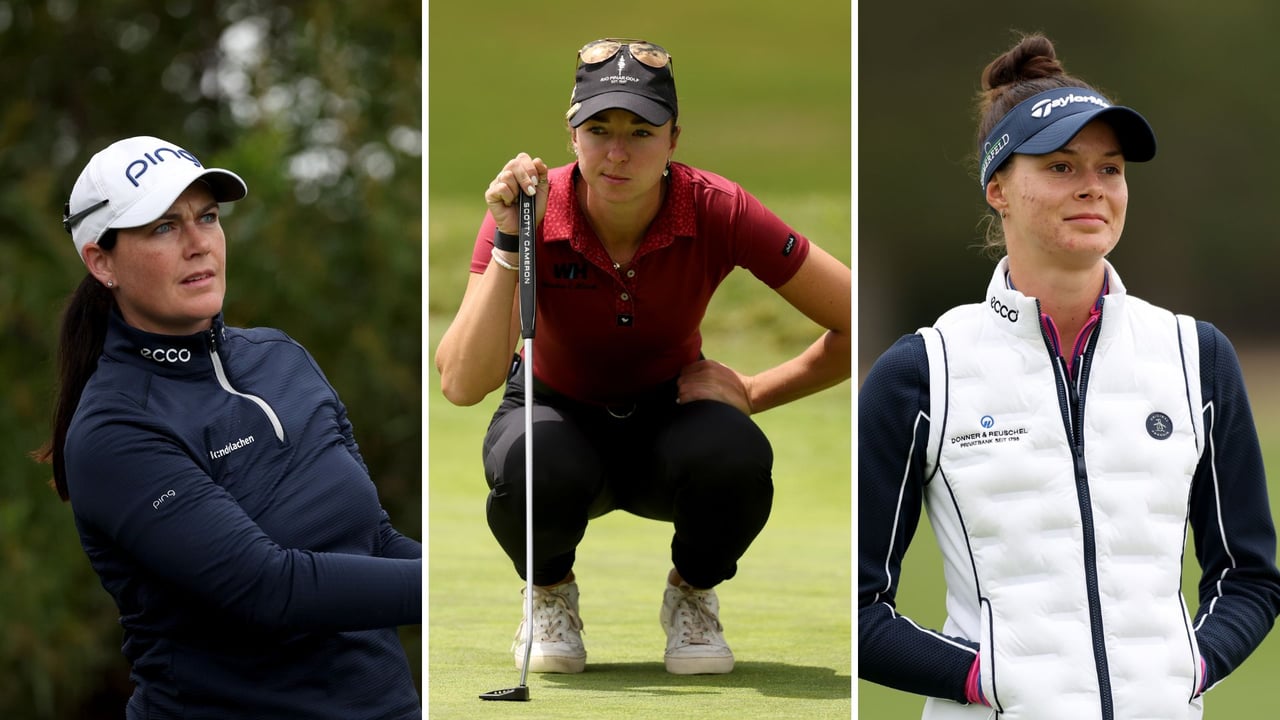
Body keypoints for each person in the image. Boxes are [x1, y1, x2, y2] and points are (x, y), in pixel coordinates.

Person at [858, 33, 1280, 718]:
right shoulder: (923, 371)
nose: (1093, 186)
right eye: (1060, 166)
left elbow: (1250, 577)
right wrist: (984, 681)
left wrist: (1191, 666)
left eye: (1110, 168)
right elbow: (857, 607)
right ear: (998, 188)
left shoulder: (1197, 356)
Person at [435, 37, 851, 676]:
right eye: (599, 129)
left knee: (736, 457)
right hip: (553, 416)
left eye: (641, 131)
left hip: (671, 419)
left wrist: (756, 390)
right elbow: (463, 384)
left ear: (673, 139)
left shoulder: (717, 207)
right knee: (532, 464)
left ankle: (692, 593)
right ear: (571, 134)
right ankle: (549, 592)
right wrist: (512, 242)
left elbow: (859, 318)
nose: (618, 153)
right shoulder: (525, 209)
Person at [35, 135, 422, 719]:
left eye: (208, 217)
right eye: (164, 227)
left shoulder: (281, 357)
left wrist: (478, 580)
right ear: (101, 262)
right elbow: (270, 589)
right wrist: (449, 592)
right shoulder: (113, 430)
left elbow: (374, 540)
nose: (198, 244)